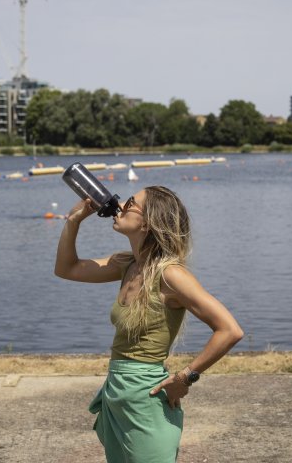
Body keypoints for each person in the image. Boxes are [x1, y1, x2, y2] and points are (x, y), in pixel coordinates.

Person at [54, 186, 244, 462]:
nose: (119, 205)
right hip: (117, 394)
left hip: (146, 400)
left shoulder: (171, 275)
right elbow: (66, 268)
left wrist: (185, 377)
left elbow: (230, 330)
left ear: (148, 222)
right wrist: (73, 221)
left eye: (130, 203)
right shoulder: (127, 264)